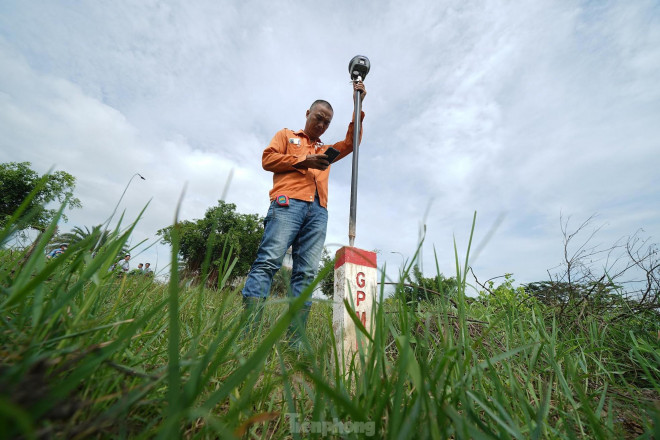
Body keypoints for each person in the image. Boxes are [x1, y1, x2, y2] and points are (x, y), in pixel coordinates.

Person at [241, 81, 367, 346]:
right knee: (268, 262)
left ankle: (295, 342)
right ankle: (248, 333)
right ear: (307, 113)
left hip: (318, 211)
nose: (321, 125)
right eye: (318, 118)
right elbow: (267, 160)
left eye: (327, 122)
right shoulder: (287, 136)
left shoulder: (324, 151)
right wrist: (303, 160)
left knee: (306, 275)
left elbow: (351, 142)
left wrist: (359, 104)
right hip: (288, 204)